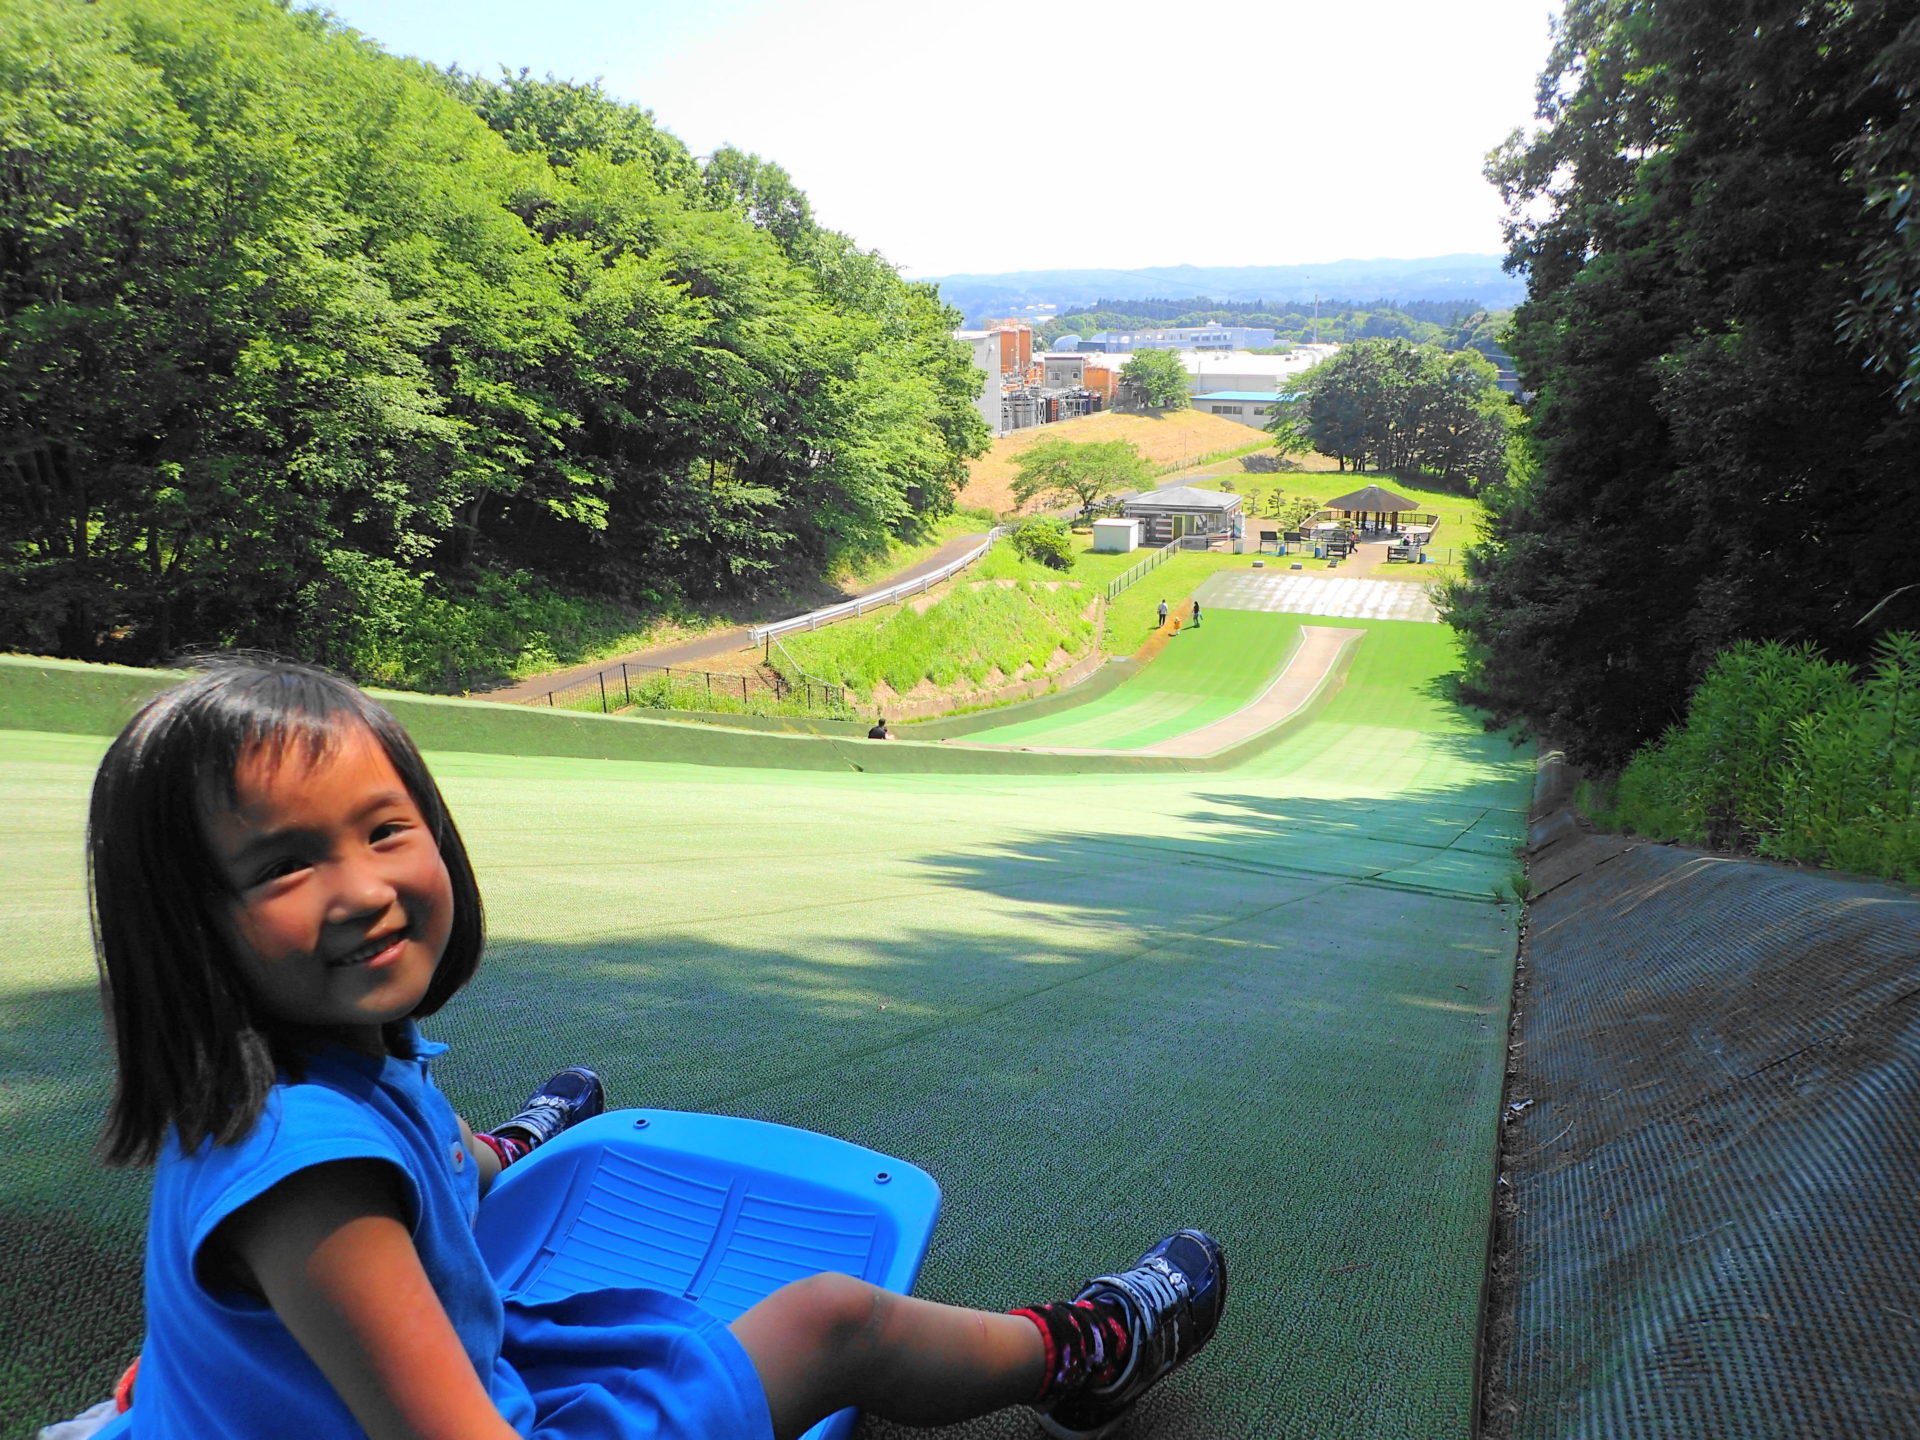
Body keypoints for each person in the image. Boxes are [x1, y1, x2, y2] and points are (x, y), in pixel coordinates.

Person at [86, 657, 1226, 1440]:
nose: (364, 888)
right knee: (831, 1319)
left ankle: (494, 1152)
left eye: (387, 831)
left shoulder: (287, 1076)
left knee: (443, 1163)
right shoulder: (318, 1181)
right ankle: (1083, 1357)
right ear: (183, 926)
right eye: (285, 865)